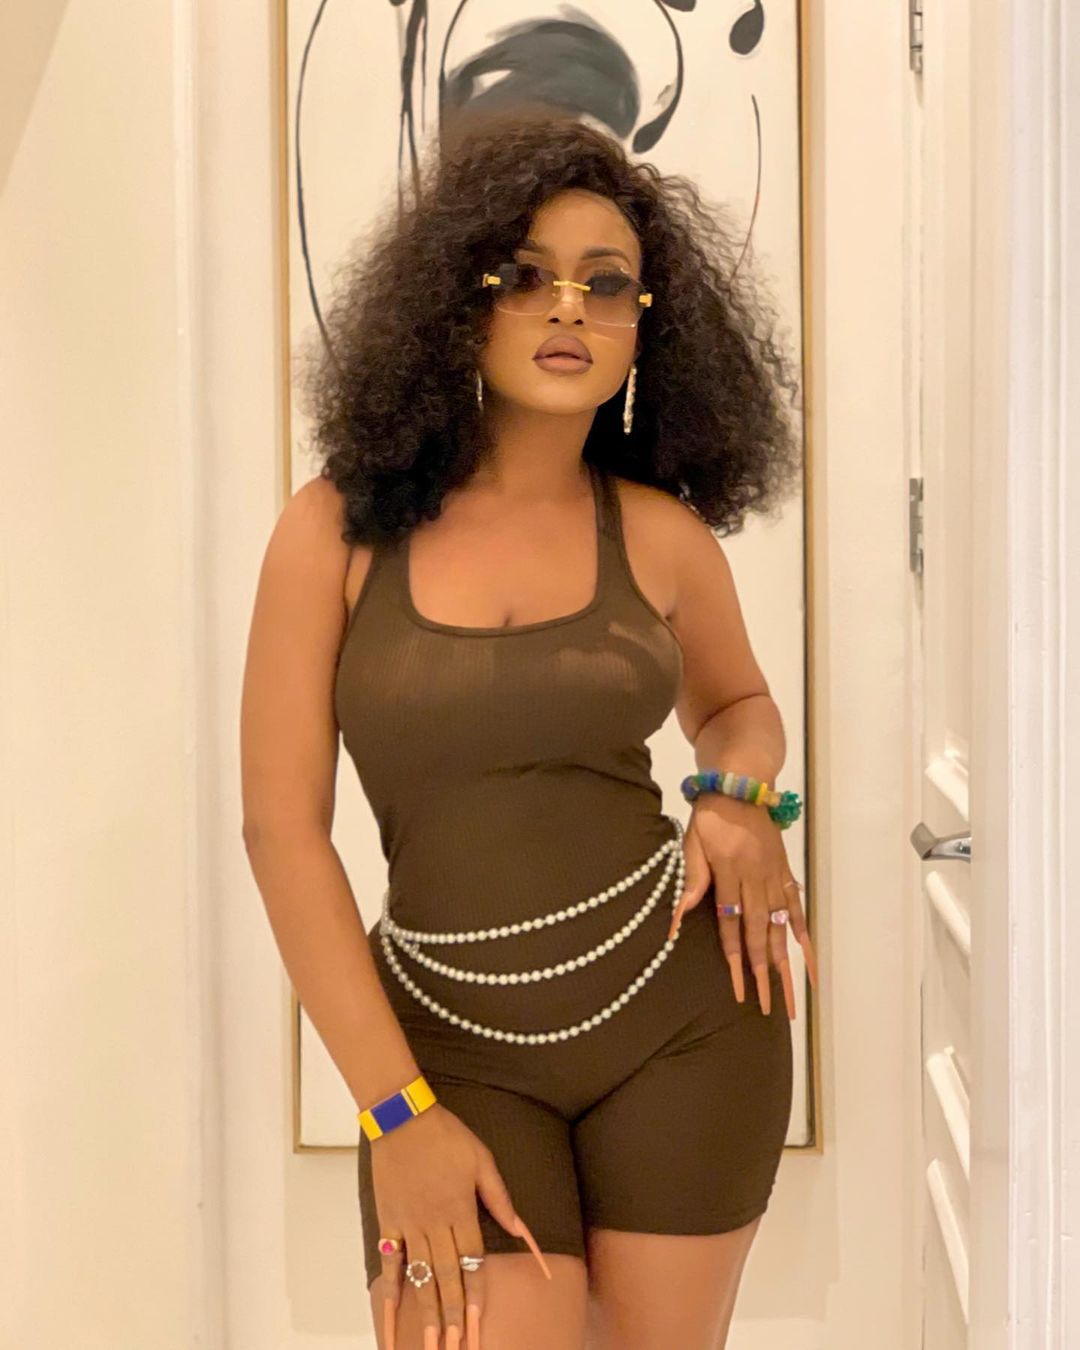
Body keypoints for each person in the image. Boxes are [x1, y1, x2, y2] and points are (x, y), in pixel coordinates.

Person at [241, 108, 818, 1350]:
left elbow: (740, 706)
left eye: (605, 285)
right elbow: (282, 834)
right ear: (457, 304)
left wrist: (737, 797)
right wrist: (396, 1115)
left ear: (645, 330)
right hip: (446, 1044)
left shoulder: (659, 536)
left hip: (685, 1021)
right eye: (524, 276)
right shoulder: (334, 532)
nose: (568, 308)